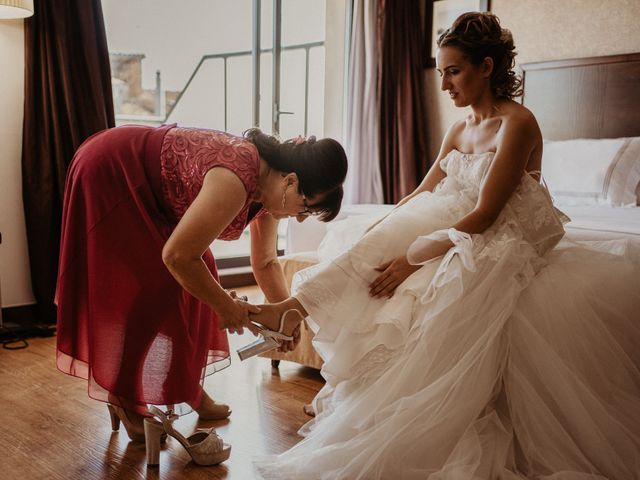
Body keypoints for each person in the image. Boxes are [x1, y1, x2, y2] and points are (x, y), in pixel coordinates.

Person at [249, 12, 640, 479]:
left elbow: (487, 214)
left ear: (488, 67)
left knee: (434, 275)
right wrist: (385, 222)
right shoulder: (458, 130)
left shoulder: (518, 124)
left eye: (454, 72)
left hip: (494, 232)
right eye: (442, 73)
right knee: (373, 235)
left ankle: (293, 309)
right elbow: (422, 191)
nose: (445, 85)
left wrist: (412, 258)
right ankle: (298, 312)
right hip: (448, 219)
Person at [55, 124, 348, 450]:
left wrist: (287, 317)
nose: (303, 217)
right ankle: (123, 395)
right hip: (114, 172)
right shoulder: (237, 178)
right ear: (291, 181)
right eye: (306, 206)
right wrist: (226, 307)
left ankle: (186, 385)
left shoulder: (269, 192)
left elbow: (265, 263)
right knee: (159, 288)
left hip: (152, 192)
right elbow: (178, 256)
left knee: (202, 270)